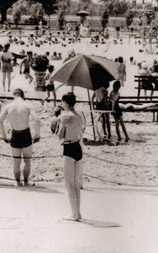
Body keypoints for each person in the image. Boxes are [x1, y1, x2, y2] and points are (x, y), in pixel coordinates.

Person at [0, 88, 41, 187]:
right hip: (25, 133)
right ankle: (26, 181)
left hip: (15, 134)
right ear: (23, 95)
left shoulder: (8, 106)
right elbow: (37, 120)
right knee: (27, 161)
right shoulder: (27, 105)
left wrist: (4, 136)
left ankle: (17, 182)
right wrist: (37, 134)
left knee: (16, 161)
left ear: (14, 95)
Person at [58, 92, 86, 221]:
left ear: (66, 103)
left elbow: (60, 136)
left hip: (69, 148)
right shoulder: (80, 115)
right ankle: (78, 212)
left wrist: (61, 125)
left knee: (69, 184)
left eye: (62, 102)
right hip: (77, 147)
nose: (61, 104)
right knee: (75, 184)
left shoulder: (65, 116)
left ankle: (74, 214)